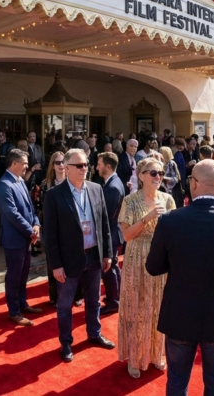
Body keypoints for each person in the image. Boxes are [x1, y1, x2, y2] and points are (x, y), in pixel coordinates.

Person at [146, 160, 214, 396]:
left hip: (180, 314)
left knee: (177, 381)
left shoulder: (170, 220)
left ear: (194, 184)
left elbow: (154, 267)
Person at [42, 149, 115, 363]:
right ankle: (65, 342)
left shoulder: (96, 189)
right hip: (68, 260)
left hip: (93, 256)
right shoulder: (54, 195)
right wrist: (55, 265)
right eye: (79, 165)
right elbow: (51, 235)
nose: (85, 169)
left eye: (86, 165)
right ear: (67, 167)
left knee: (93, 300)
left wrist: (108, 253)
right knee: (64, 305)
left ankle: (94, 333)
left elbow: (104, 225)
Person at [116, 157, 177, 377]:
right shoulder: (130, 202)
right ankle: (134, 357)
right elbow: (126, 235)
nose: (158, 177)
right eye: (153, 173)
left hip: (160, 259)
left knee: (158, 307)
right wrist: (147, 218)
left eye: (160, 173)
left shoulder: (168, 199)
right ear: (141, 176)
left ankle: (156, 354)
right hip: (136, 259)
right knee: (136, 307)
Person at [0, 148, 43, 326]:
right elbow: (12, 214)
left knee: (24, 274)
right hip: (14, 240)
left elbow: (30, 207)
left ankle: (22, 304)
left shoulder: (20, 181)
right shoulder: (4, 185)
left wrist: (36, 224)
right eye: (24, 163)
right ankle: (13, 311)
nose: (27, 166)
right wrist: (30, 231)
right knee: (14, 276)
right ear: (14, 163)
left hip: (26, 238)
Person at [34, 151, 81, 305]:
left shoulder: (74, 182)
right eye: (58, 162)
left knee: (75, 262)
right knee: (53, 263)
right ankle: (55, 297)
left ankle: (78, 295)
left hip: (72, 229)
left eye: (63, 162)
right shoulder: (45, 185)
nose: (61, 165)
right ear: (52, 166)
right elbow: (40, 209)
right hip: (52, 229)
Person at [97, 152, 125, 315]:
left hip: (112, 234)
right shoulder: (112, 182)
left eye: (99, 164)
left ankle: (114, 301)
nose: (97, 167)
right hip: (113, 233)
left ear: (108, 166)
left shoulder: (113, 187)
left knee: (109, 268)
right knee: (112, 267)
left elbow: (106, 215)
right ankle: (114, 298)